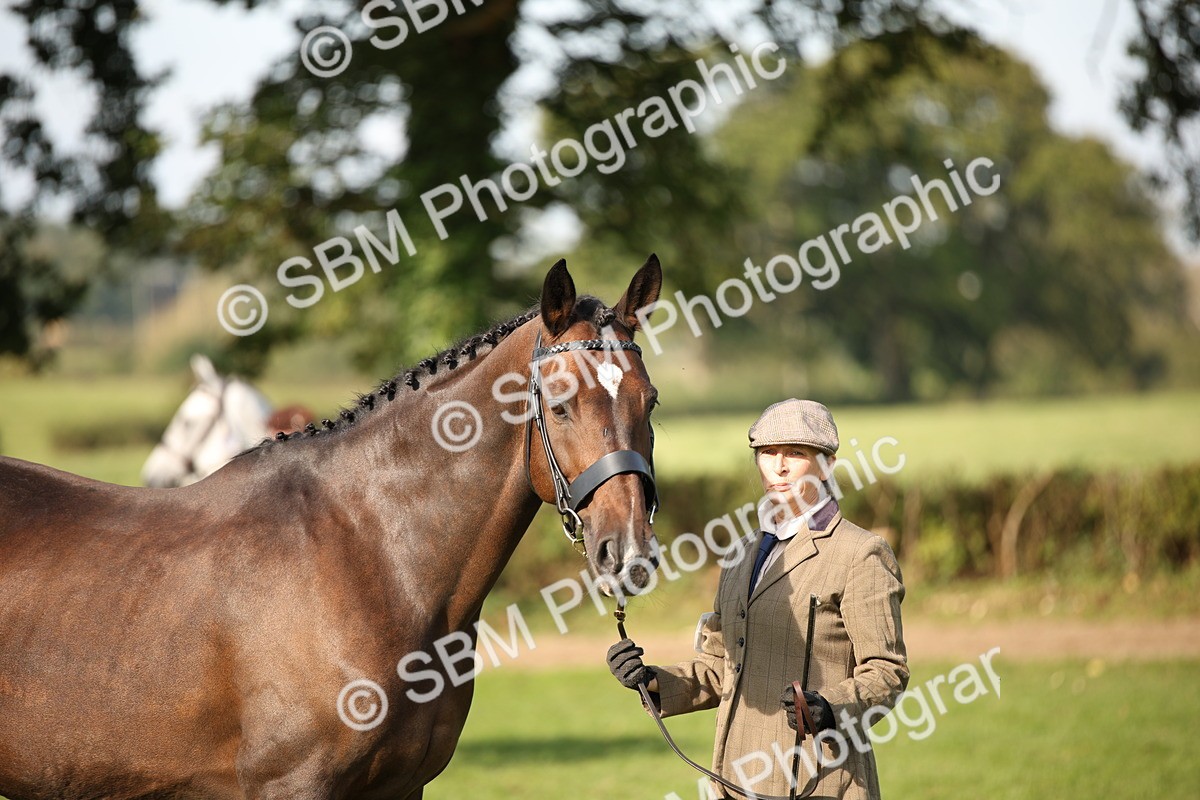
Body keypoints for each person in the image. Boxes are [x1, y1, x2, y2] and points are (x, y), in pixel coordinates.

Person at [607, 399, 908, 800]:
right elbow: (720, 666)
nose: (779, 467)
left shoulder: (861, 553)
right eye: (768, 454)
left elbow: (887, 672)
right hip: (733, 780)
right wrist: (652, 682)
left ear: (827, 464)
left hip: (821, 779)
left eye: (795, 454)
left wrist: (832, 707)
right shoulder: (740, 554)